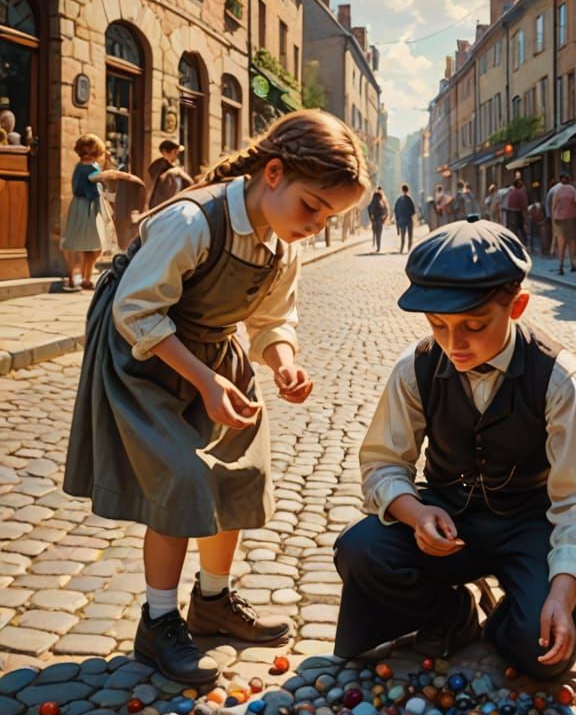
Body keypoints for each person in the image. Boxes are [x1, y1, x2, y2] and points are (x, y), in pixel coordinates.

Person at [63, 110, 371, 684]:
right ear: (273, 172)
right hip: (147, 353)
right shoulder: (191, 220)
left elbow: (274, 319)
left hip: (213, 354)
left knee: (237, 471)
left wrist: (285, 363)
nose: (315, 225)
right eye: (312, 207)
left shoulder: (283, 244)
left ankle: (212, 602)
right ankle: (157, 622)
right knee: (181, 478)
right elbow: (137, 311)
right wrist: (204, 381)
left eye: (330, 218)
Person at [332, 219, 576, 677]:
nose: (454, 343)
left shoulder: (559, 378)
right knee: (360, 550)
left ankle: (510, 617)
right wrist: (415, 513)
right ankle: (452, 613)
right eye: (438, 325)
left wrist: (561, 592)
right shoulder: (415, 367)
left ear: (516, 305)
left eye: (475, 325)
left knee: (537, 654)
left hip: (529, 523)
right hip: (446, 512)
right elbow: (382, 463)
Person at [62, 134, 143, 293]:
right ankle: (81, 277)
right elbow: (103, 178)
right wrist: (128, 177)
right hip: (88, 206)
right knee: (91, 245)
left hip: (81, 205)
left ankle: (79, 277)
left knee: (81, 243)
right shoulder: (90, 168)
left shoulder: (81, 166)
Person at [147, 140, 194, 210]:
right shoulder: (158, 165)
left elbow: (190, 183)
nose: (177, 154)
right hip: (162, 207)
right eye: (174, 152)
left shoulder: (175, 168)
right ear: (164, 152)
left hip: (173, 206)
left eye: (177, 152)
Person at [550, 171, 576, 275]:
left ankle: (561, 265)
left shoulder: (556, 190)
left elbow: (553, 205)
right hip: (571, 217)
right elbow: (575, 203)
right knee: (571, 242)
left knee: (561, 243)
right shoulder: (572, 189)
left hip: (559, 219)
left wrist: (553, 219)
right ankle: (573, 264)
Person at [503, 177, 529, 245]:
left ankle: (512, 243)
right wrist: (526, 214)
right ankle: (523, 244)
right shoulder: (521, 192)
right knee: (521, 229)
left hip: (510, 213)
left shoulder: (510, 192)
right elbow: (524, 205)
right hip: (517, 213)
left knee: (513, 230)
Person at [394, 184, 417, 255]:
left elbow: (395, 210)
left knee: (403, 236)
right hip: (409, 220)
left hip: (402, 220)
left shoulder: (399, 199)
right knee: (410, 235)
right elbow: (413, 211)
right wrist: (409, 214)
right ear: (408, 190)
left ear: (402, 190)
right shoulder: (410, 199)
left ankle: (401, 249)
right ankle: (409, 249)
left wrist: (398, 218)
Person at [368, 186, 389, 253]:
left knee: (375, 232)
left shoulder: (373, 198)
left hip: (375, 219)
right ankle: (378, 246)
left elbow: (369, 208)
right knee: (379, 233)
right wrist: (384, 218)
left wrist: (371, 217)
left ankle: (377, 245)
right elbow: (385, 209)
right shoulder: (381, 199)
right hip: (379, 219)